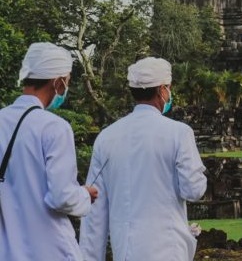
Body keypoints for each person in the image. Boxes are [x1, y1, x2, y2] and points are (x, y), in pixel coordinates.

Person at [79, 57, 207, 261]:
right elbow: (193, 190)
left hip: (126, 250)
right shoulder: (178, 133)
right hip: (169, 248)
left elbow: (94, 208)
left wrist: (90, 257)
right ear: (162, 90)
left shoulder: (107, 137)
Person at [0, 42, 97, 260]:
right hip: (51, 250)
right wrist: (84, 194)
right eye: (67, 81)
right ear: (58, 82)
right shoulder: (54, 127)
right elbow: (61, 197)